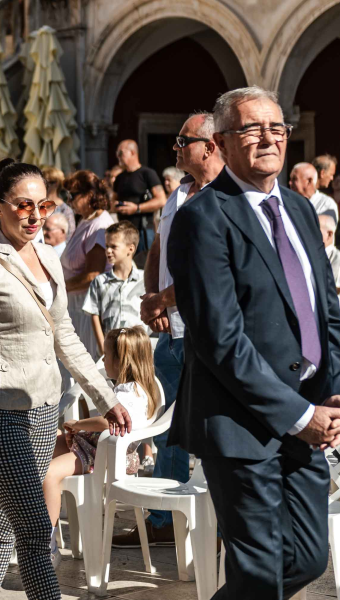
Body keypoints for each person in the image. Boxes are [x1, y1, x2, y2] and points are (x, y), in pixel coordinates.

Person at [168, 86, 340, 599]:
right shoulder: (202, 218)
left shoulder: (298, 210)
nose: (268, 138)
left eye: (277, 127)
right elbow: (219, 339)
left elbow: (328, 313)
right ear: (221, 143)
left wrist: (334, 391)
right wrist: (298, 415)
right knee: (259, 570)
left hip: (310, 416)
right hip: (241, 426)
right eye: (252, 128)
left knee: (309, 556)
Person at [0, 160, 130, 595]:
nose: (35, 215)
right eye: (23, 205)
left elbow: (65, 337)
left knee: (1, 527)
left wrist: (106, 399)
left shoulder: (49, 256)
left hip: (46, 409)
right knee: (34, 530)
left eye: (43, 205)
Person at [128, 110, 223, 547]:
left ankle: (217, 520)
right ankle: (166, 521)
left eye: (183, 141)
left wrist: (163, 299)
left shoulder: (226, 196)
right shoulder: (178, 193)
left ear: (210, 145)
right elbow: (157, 251)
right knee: (166, 424)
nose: (176, 148)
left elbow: (206, 274)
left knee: (213, 424)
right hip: (172, 329)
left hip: (209, 331)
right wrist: (154, 301)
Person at [42, 326, 159, 539]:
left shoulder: (128, 393)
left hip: (103, 455)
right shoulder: (137, 390)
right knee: (43, 448)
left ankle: (45, 541)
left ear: (121, 361)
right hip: (96, 448)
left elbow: (107, 422)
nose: (103, 360)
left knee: (49, 474)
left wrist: (78, 424)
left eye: (107, 355)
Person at [61, 170, 115, 359]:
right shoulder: (86, 220)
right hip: (76, 306)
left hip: (87, 310)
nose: (69, 201)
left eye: (73, 195)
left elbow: (93, 275)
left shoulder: (99, 226)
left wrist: (60, 288)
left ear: (89, 195)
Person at [83, 221, 148, 354]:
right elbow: (94, 315)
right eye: (107, 246)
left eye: (113, 246)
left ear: (131, 249)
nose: (108, 251)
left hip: (139, 350)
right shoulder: (100, 282)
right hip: (111, 350)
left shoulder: (145, 280)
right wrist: (103, 348)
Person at [112, 139, 165, 263]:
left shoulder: (147, 174)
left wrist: (137, 208)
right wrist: (115, 205)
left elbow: (161, 200)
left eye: (120, 153)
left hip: (143, 231)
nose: (117, 156)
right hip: (123, 231)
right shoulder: (119, 178)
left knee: (144, 268)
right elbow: (113, 201)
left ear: (132, 152)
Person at [320, 215, 340, 317]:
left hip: (329, 319)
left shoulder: (339, 259)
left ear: (329, 234)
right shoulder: (313, 256)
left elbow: (333, 291)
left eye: (315, 229)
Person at [39, 165, 75, 235]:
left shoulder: (65, 209)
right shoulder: (37, 205)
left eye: (47, 182)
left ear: (56, 184)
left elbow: (70, 234)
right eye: (43, 182)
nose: (44, 185)